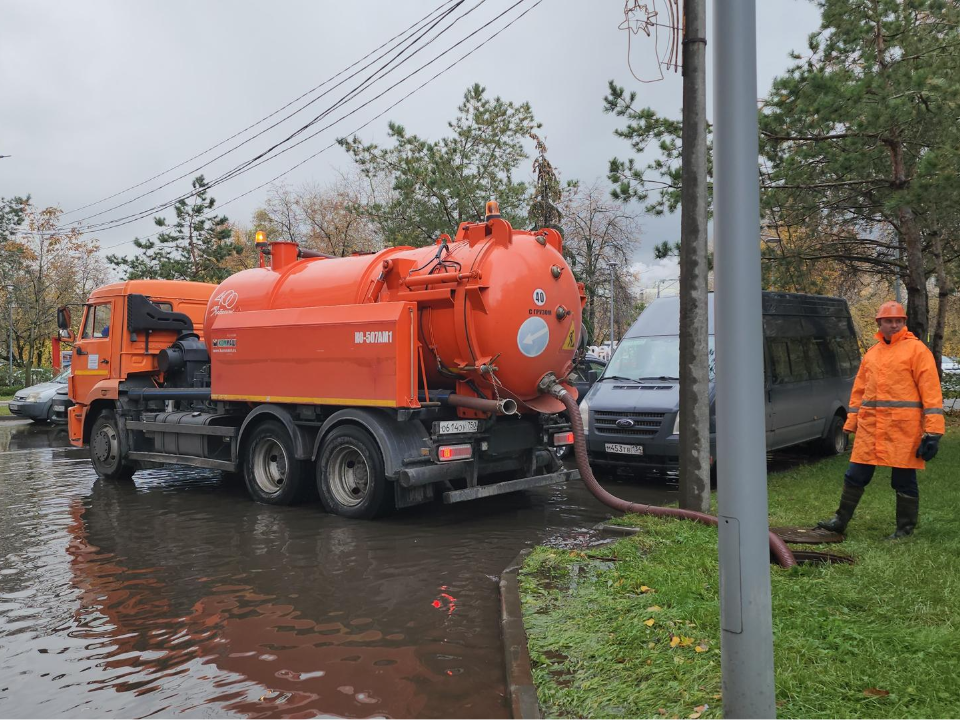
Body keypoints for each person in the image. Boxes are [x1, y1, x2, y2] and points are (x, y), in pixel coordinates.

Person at [817, 301, 944, 539]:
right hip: (871, 429)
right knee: (855, 475)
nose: (894, 325)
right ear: (879, 323)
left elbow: (931, 392)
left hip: (903, 429)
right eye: (889, 321)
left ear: (904, 322)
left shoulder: (917, 351)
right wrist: (851, 423)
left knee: (903, 480)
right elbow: (859, 392)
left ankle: (904, 530)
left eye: (898, 321)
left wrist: (933, 432)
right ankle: (839, 521)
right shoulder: (872, 354)